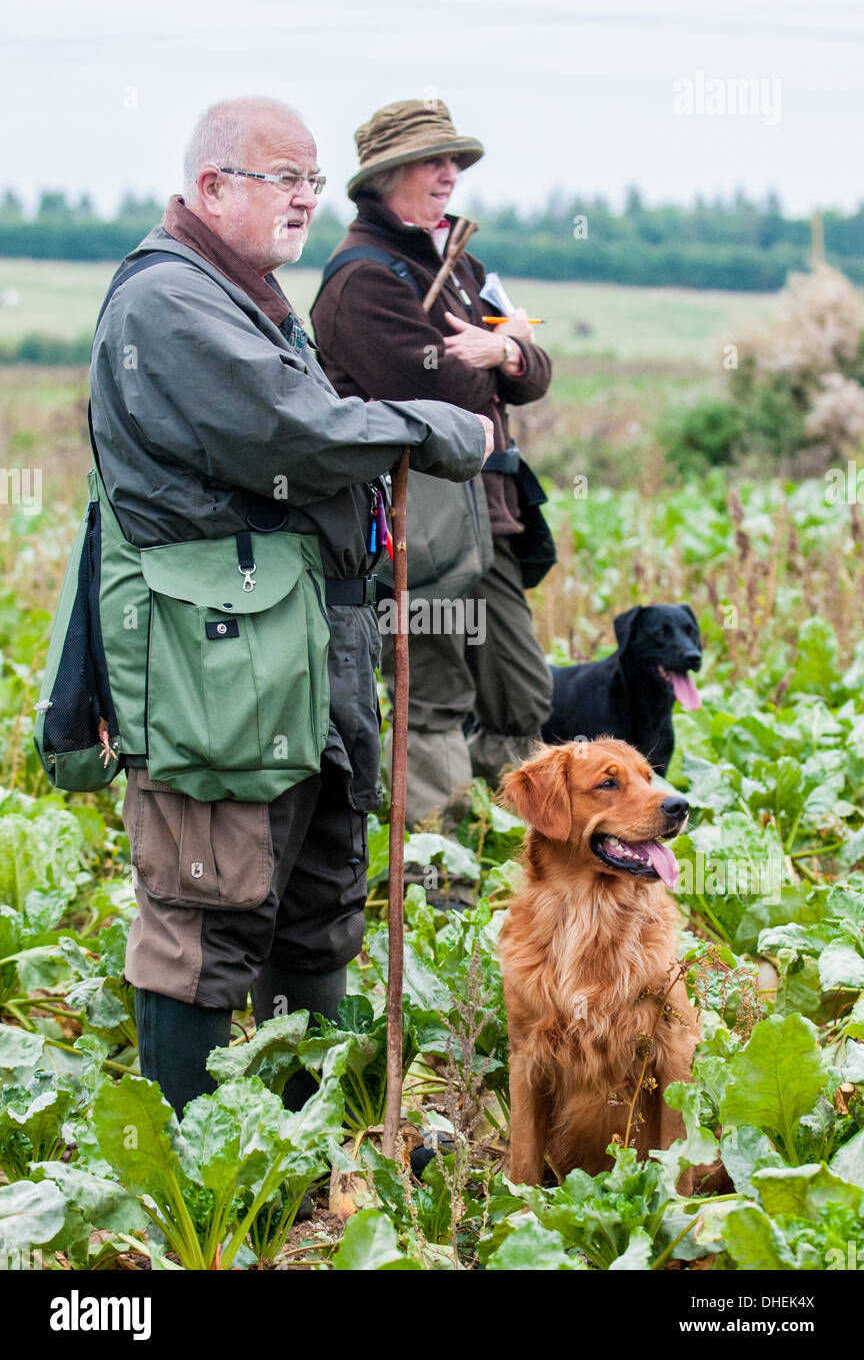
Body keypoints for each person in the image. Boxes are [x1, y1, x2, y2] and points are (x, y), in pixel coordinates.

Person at [89, 96, 492, 1113]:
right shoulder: (166, 302)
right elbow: (293, 431)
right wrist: (434, 428)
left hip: (298, 649)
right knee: (203, 906)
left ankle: (307, 1144)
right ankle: (193, 1172)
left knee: (317, 897)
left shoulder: (247, 293)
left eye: (314, 180)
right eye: (286, 178)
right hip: (214, 663)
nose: (309, 198)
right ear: (213, 185)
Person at [310, 99, 554, 830]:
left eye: (455, 160)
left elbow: (532, 376)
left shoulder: (463, 263)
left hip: (495, 514)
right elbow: (442, 393)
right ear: (386, 177)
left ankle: (514, 849)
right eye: (432, 160)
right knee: (433, 695)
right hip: (420, 522)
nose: (450, 174)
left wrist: (505, 348)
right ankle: (439, 882)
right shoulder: (362, 280)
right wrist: (498, 355)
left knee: (521, 693)